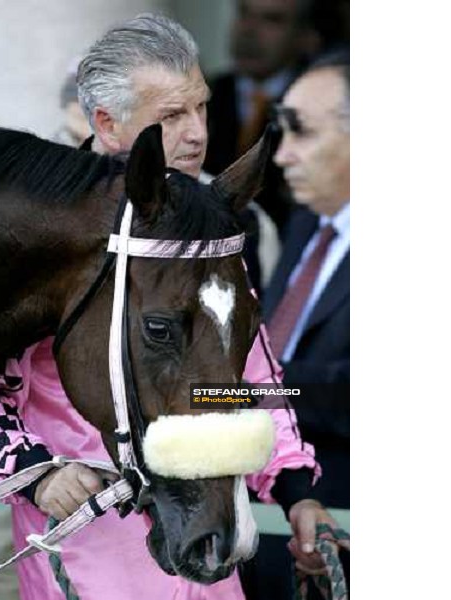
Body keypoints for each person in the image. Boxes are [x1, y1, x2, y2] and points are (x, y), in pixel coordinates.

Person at [0, 14, 340, 600]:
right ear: (107, 123)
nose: (197, 135)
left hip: (203, 544)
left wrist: (292, 489)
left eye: (201, 109)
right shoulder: (40, 231)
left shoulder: (206, 224)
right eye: (171, 117)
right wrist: (36, 474)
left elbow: (242, 383)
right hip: (85, 548)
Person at [244, 50, 350, 600]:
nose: (281, 156)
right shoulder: (307, 221)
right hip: (259, 528)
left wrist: (229, 391)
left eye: (301, 132)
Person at [204, 0, 321, 239]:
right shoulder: (203, 95)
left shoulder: (319, 109)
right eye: (244, 13)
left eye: (272, 20)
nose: (249, 30)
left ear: (305, 37)